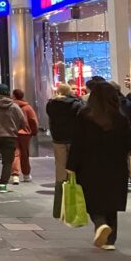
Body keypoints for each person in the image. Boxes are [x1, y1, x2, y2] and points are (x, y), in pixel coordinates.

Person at [66, 83, 131, 250]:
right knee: (111, 202)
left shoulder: (85, 115)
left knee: (92, 198)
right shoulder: (120, 118)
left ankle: (100, 223)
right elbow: (129, 143)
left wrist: (71, 166)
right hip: (116, 166)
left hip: (89, 166)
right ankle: (110, 241)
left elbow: (78, 143)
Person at [46, 83, 83, 217]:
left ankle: (58, 208)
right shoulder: (77, 104)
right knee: (75, 170)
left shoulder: (51, 105)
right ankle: (76, 204)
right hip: (74, 140)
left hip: (58, 140)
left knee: (60, 172)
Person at [9, 89, 39, 184]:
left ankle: (15, 175)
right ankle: (26, 175)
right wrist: (34, 131)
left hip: (13, 133)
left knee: (15, 153)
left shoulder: (10, 107)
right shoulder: (27, 107)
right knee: (25, 154)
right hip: (25, 134)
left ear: (14, 96)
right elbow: (33, 120)